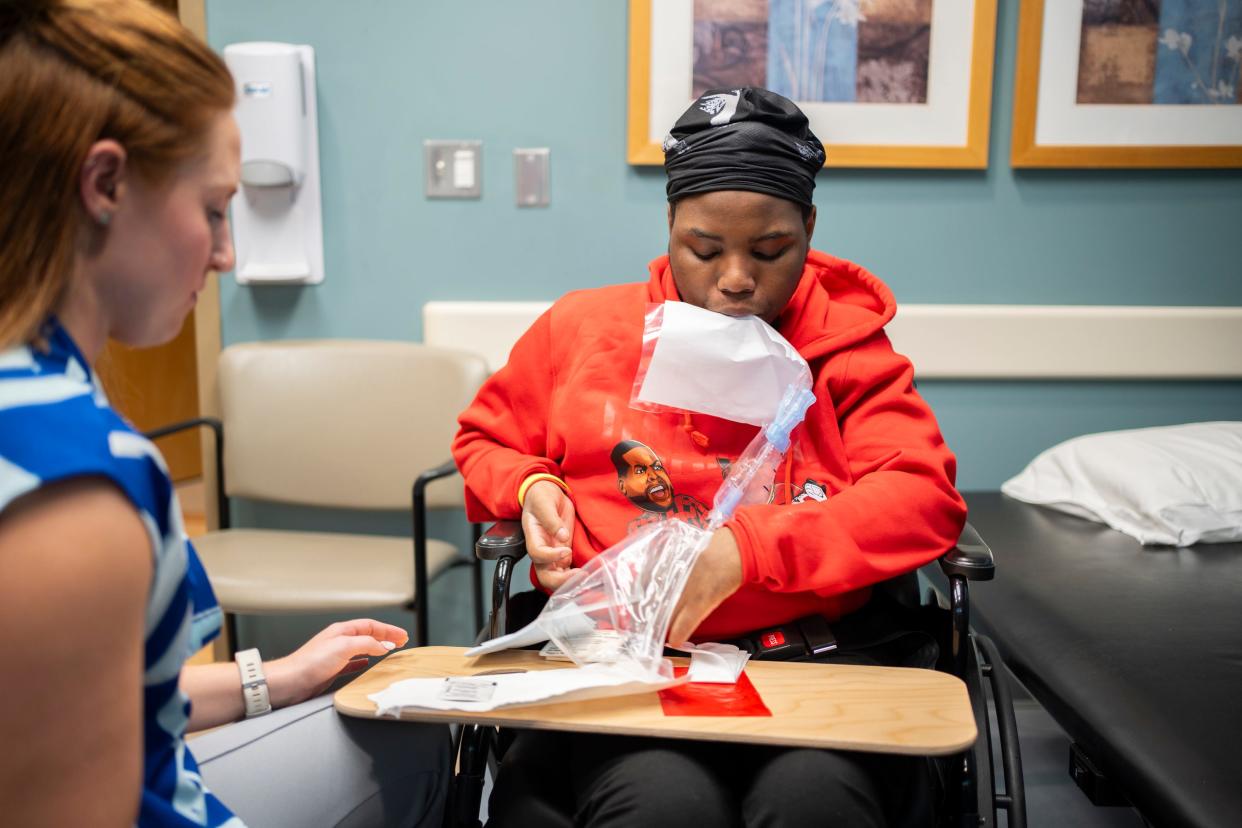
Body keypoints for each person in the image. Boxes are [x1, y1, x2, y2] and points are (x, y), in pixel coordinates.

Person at [453, 87, 966, 826]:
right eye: (703, 248)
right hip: (626, 663)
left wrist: (747, 552)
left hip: (815, 661)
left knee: (814, 803)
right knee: (661, 804)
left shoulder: (849, 353)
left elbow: (923, 500)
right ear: (669, 226)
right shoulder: (585, 329)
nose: (734, 279)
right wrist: (531, 485)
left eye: (770, 251)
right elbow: (484, 438)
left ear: (809, 229)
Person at [0, 2, 447, 826]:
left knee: (402, 719)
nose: (226, 252)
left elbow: (111, 701)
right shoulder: (75, 489)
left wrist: (279, 676)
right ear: (104, 184)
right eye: (212, 208)